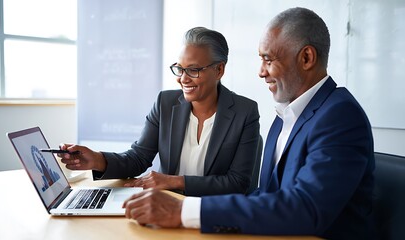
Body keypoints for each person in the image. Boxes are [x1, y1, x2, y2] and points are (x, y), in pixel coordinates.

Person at [122, 7, 375, 239]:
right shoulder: (285, 116)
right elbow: (265, 195)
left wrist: (185, 210)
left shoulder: (339, 116)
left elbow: (306, 209)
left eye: (268, 59)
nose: (261, 71)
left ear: (306, 58)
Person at [60, 27, 261, 197]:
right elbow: (139, 158)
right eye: (179, 69)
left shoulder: (245, 112)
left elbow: (238, 182)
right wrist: (97, 159)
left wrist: (174, 182)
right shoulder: (165, 103)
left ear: (219, 70)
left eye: (193, 70)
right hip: (163, 205)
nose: (183, 78)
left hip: (210, 211)